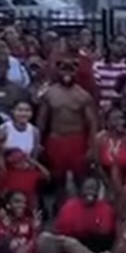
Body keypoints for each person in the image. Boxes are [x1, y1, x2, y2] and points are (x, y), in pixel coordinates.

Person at [37, 56, 98, 189]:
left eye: (70, 71)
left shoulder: (83, 95)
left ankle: (80, 201)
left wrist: (92, 147)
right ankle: (60, 201)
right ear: (58, 72)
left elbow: (92, 123)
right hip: (56, 139)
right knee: (58, 179)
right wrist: (38, 142)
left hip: (77, 140)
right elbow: (42, 121)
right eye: (64, 70)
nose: (67, 74)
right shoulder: (50, 93)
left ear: (75, 72)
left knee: (80, 177)